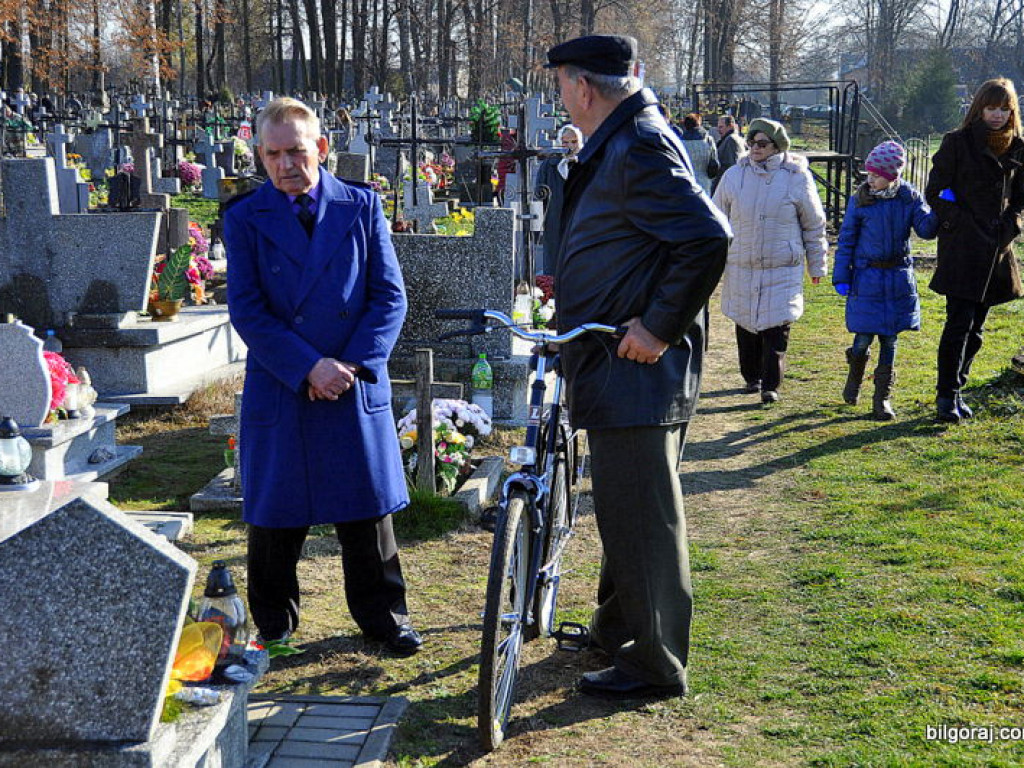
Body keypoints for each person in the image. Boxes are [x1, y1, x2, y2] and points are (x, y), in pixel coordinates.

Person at [545, 35, 731, 698]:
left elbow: (708, 238)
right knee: (626, 508)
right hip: (618, 363)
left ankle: (656, 663)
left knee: (643, 519)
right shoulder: (623, 141)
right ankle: (615, 628)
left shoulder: (639, 145)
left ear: (582, 88)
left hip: (636, 366)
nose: (559, 96)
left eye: (561, 84)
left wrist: (656, 328)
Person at [224, 97, 422, 656]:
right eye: (273, 153)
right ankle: (274, 623)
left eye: (297, 151)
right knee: (277, 512)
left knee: (365, 511)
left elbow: (388, 298)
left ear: (322, 149)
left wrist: (350, 365)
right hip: (284, 381)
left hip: (352, 380)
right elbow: (248, 309)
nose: (286, 164)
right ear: (261, 156)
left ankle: (385, 619)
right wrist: (308, 366)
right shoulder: (243, 218)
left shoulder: (361, 207)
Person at [925, 77, 1024, 423]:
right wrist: (960, 223)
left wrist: (1012, 226)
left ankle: (959, 388)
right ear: (979, 108)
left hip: (997, 249)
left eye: (1003, 108)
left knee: (978, 329)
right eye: (991, 107)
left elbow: (1021, 202)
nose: (997, 115)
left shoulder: (1019, 148)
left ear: (1012, 111)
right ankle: (945, 396)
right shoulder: (957, 143)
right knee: (958, 324)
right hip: (964, 248)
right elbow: (934, 192)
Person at [711, 117, 828, 403]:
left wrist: (817, 264)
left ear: (777, 146)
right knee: (746, 323)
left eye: (762, 143)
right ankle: (751, 378)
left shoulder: (796, 177)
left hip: (782, 265)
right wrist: (711, 262)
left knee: (777, 326)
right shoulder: (734, 176)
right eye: (751, 142)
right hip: (743, 263)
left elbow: (813, 224)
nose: (755, 148)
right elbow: (715, 220)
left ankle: (770, 386)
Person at [833, 141, 938, 420]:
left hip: (896, 280)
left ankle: (882, 400)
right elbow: (846, 240)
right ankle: (854, 380)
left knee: (889, 341)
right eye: (868, 174)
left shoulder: (908, 198)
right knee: (863, 338)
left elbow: (926, 230)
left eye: (876, 175)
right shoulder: (861, 200)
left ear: (892, 175)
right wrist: (842, 276)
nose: (870, 180)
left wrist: (940, 207)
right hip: (866, 279)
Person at [534, 124, 583, 274]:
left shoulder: (587, 164)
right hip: (554, 221)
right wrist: (536, 228)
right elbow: (539, 196)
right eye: (565, 142)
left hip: (581, 222)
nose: (569, 146)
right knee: (554, 264)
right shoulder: (549, 166)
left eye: (574, 142)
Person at [677, 113, 720, 195]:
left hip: (686, 183)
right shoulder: (708, 140)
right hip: (705, 183)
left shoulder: (680, 143)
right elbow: (715, 162)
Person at [713, 114, 746, 193]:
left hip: (726, 185)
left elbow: (732, 164)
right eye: (718, 127)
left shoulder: (731, 140)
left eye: (721, 127)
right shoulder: (734, 138)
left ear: (730, 126)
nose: (718, 130)